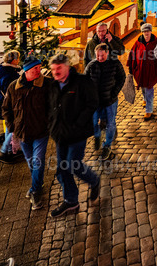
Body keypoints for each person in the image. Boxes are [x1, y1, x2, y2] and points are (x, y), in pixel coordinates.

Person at [47, 53, 101, 218]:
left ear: (67, 67)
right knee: (62, 170)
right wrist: (51, 125)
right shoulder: (53, 85)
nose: (55, 72)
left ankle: (94, 180)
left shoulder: (82, 82)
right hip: (59, 134)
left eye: (59, 68)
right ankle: (71, 201)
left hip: (77, 134)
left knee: (73, 165)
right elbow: (50, 106)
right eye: (53, 69)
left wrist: (79, 123)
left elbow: (92, 103)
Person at [1, 58, 52, 210]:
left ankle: (36, 191)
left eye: (39, 67)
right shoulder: (13, 87)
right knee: (31, 162)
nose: (39, 70)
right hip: (22, 133)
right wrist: (12, 127)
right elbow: (6, 109)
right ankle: (38, 183)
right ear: (26, 71)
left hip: (41, 132)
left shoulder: (47, 84)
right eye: (35, 68)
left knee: (37, 161)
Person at [85, 43, 125, 159]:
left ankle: (107, 146)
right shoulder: (92, 65)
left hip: (110, 100)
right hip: (95, 102)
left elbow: (122, 78)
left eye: (102, 56)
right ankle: (97, 136)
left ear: (107, 53)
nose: (99, 58)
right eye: (97, 56)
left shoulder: (115, 64)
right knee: (93, 122)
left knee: (111, 123)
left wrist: (114, 93)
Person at [128, 23, 157, 120]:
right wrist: (131, 68)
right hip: (140, 70)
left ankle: (149, 110)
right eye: (144, 31)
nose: (146, 33)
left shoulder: (156, 42)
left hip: (151, 70)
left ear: (151, 31)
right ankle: (144, 99)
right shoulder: (138, 42)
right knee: (142, 86)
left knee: (149, 89)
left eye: (148, 31)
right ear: (142, 32)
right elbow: (132, 54)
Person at [0, 50, 22, 164]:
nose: (19, 60)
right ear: (14, 60)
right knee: (12, 126)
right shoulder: (10, 74)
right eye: (18, 58)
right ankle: (6, 150)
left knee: (10, 126)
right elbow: (9, 92)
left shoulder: (3, 70)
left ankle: (11, 148)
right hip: (10, 105)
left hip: (6, 104)